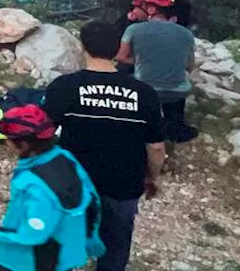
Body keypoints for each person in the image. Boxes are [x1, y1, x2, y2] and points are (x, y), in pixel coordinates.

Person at [43, 20, 167, 271]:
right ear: (117, 51)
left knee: (61, 241)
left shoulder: (64, 87)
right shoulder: (144, 93)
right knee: (116, 245)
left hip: (74, 183)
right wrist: (152, 177)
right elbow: (155, 147)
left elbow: (41, 135)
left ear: (82, 47)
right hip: (124, 184)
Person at [0, 105, 105, 271]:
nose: (6, 143)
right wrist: (92, 240)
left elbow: (32, 235)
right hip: (65, 253)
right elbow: (92, 200)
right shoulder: (64, 157)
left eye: (9, 139)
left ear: (25, 145)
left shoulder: (35, 186)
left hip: (30, 262)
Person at [116, 0, 199, 145]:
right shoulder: (186, 33)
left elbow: (121, 56)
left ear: (151, 8)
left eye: (137, 7)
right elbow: (189, 67)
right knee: (175, 86)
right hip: (178, 93)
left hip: (147, 92)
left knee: (123, 73)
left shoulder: (133, 29)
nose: (133, 11)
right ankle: (175, 128)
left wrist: (140, 61)